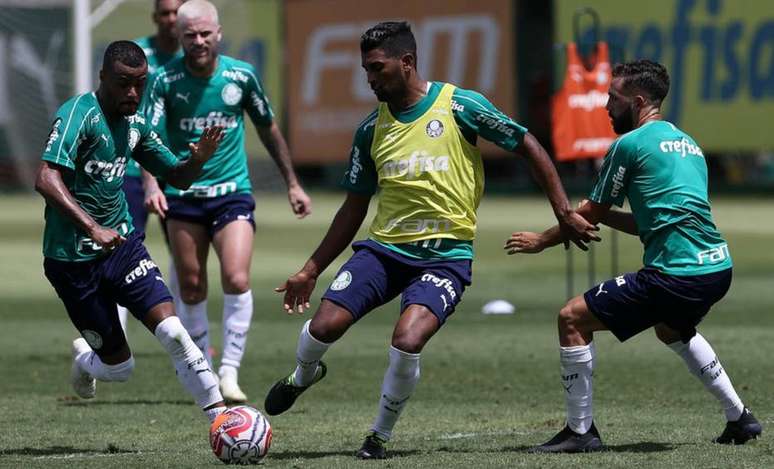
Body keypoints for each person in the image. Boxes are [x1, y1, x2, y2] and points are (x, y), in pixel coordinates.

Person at [263, 21, 598, 459]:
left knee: (407, 339)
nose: (370, 78)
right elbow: (353, 208)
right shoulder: (370, 131)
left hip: (445, 258)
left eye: (377, 68)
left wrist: (563, 212)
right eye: (365, 69)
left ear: (406, 63)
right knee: (324, 327)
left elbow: (528, 144)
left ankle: (377, 438)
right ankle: (304, 375)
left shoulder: (459, 105)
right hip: (384, 251)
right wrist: (310, 269)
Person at [505, 59, 762, 453]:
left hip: (676, 274)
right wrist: (601, 220)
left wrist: (542, 239)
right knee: (671, 329)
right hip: (716, 267)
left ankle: (580, 432)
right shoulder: (688, 144)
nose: (606, 106)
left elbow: (590, 212)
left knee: (571, 318)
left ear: (638, 101)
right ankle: (739, 418)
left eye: (613, 98)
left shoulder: (629, 145)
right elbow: (653, 221)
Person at [36, 40, 227, 424]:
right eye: (124, 83)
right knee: (120, 369)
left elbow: (177, 175)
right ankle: (87, 360)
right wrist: (92, 227)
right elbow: (46, 177)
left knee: (174, 331)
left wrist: (198, 160)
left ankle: (222, 420)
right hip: (72, 262)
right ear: (103, 76)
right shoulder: (79, 114)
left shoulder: (137, 125)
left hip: (122, 248)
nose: (133, 93)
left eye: (140, 84)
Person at [145, 0, 312, 403]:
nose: (199, 41)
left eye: (205, 34)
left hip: (231, 193)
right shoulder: (164, 80)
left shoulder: (241, 75)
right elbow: (146, 139)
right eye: (190, 36)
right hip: (183, 195)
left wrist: (293, 182)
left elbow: (268, 127)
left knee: (236, 277)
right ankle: (201, 368)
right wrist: (152, 185)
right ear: (179, 37)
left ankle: (229, 371)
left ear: (218, 33)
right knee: (190, 284)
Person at [117, 0, 186, 333]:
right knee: (118, 251)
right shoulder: (136, 56)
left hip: (175, 171)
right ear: (155, 17)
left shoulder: (194, 58)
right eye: (165, 13)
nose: (171, 19)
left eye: (177, 12)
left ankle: (187, 330)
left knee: (184, 255)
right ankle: (113, 335)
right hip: (131, 170)